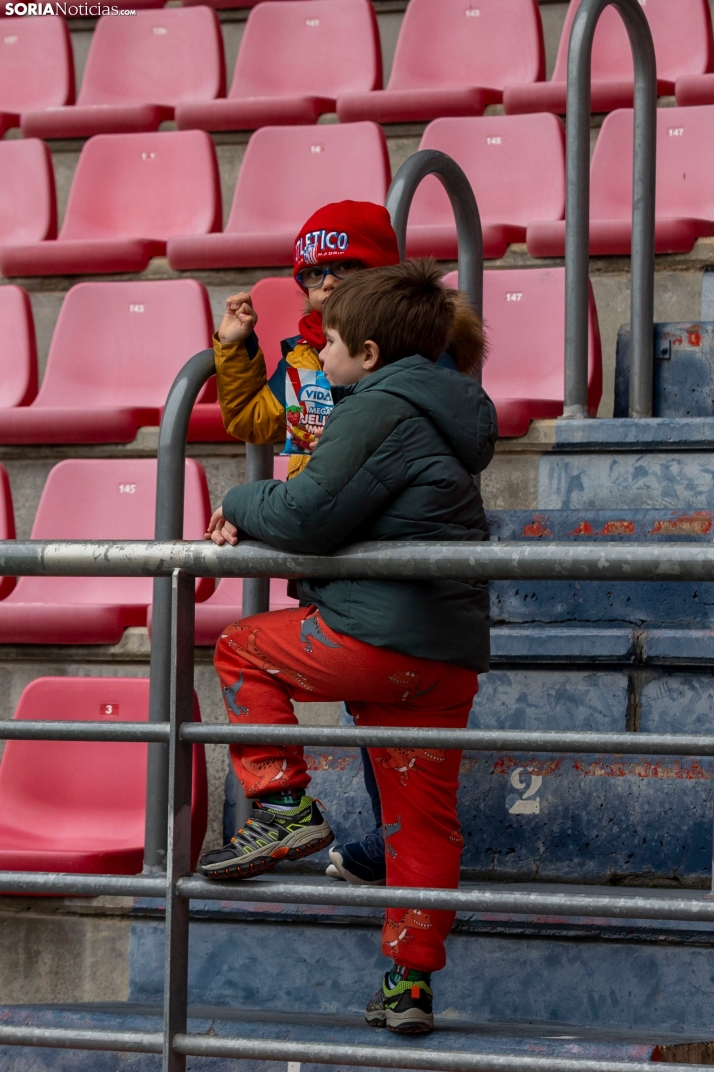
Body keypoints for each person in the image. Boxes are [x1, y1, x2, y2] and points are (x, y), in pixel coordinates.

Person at [200, 259, 497, 1034]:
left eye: (330, 342)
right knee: (421, 823)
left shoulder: (378, 408)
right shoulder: (448, 410)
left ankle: (283, 804)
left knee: (240, 647)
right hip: (445, 659)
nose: (320, 354)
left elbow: (306, 514)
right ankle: (410, 984)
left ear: (368, 353)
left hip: (376, 639)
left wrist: (238, 499)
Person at [214, 200, 402, 885]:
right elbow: (253, 421)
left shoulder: (410, 355)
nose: (321, 285)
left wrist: (261, 510)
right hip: (326, 551)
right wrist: (237, 349)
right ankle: (387, 841)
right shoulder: (302, 358)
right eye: (310, 274)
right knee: (370, 707)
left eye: (339, 269)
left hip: (382, 552)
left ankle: (391, 840)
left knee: (388, 711)